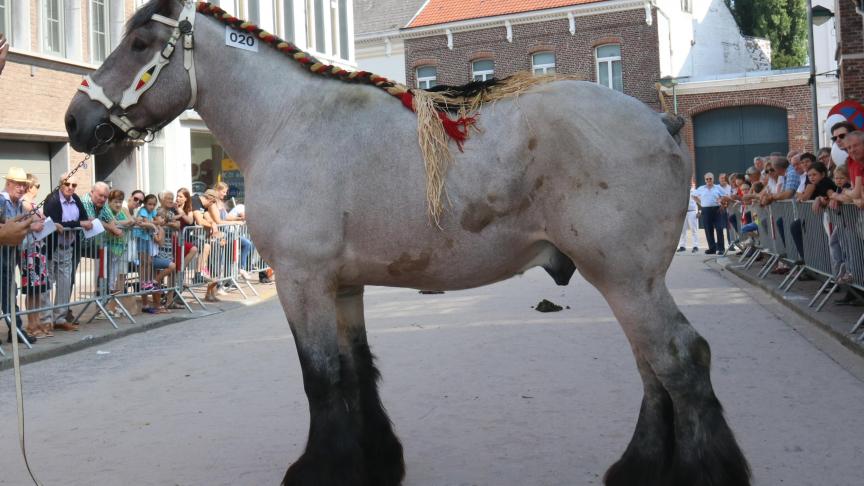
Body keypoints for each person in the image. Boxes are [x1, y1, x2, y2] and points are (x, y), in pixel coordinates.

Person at [42, 172, 92, 331]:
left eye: (74, 185)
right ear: (60, 183)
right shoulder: (52, 199)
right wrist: (79, 223)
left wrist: (81, 223)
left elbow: (84, 218)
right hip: (51, 247)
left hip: (68, 247)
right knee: (47, 283)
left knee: (65, 283)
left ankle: (60, 318)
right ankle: (45, 319)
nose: (70, 188)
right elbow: (56, 223)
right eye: (67, 184)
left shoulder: (76, 198)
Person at [0, 167, 45, 343]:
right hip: (2, 253)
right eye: (18, 185)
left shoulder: (18, 204)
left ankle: (15, 331)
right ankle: (16, 330)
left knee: (10, 292)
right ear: (9, 183)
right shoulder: (2, 202)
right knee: (8, 292)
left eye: (23, 185)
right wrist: (29, 227)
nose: (21, 189)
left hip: (10, 255)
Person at [20, 174, 52, 338]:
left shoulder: (33, 204)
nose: (38, 189)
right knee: (31, 288)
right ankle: (31, 323)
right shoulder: (24, 203)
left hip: (40, 249)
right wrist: (35, 225)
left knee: (39, 288)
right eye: (37, 186)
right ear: (30, 186)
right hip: (29, 250)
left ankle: (37, 320)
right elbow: (23, 224)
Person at [692, 172, 726, 254]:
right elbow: (693, 195)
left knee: (719, 228)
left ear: (713, 179)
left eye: (710, 178)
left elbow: (725, 195)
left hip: (717, 210)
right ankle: (712, 248)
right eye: (707, 179)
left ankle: (721, 249)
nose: (708, 180)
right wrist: (701, 204)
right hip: (706, 210)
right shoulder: (701, 188)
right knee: (708, 229)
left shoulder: (718, 187)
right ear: (705, 180)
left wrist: (721, 202)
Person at [677, 182, 699, 253]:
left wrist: (699, 211)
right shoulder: (682, 191)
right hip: (683, 213)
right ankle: (682, 246)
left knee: (694, 230)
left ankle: (695, 246)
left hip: (692, 212)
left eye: (690, 182)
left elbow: (701, 201)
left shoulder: (695, 191)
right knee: (682, 231)